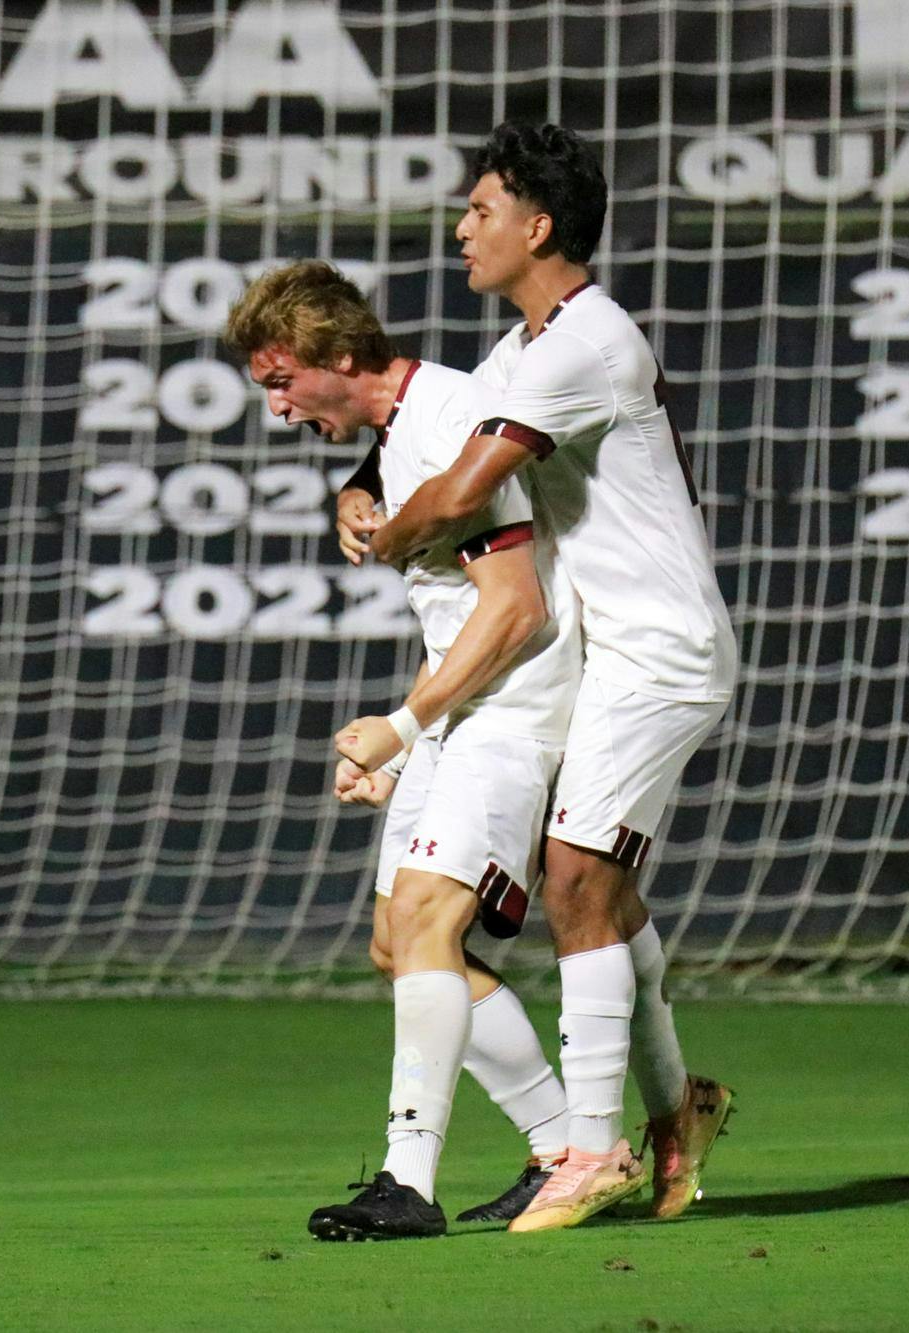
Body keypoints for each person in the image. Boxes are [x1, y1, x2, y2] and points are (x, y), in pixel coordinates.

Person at [345, 123, 739, 1232]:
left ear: (538, 226)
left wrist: (391, 536)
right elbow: (418, 434)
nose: (460, 228)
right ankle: (678, 1112)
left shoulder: (585, 341)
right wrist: (356, 480)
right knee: (600, 892)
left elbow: (463, 484)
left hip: (659, 650)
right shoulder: (522, 352)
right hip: (607, 653)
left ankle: (591, 1149)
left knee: (573, 878)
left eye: (479, 211)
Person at [224, 260, 580, 1240]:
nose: (279, 409)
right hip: (463, 711)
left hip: (511, 705)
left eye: (281, 381)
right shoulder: (405, 430)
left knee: (425, 920)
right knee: (399, 945)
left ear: (340, 356)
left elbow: (515, 610)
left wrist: (400, 726)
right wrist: (357, 482)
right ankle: (566, 1148)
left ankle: (406, 1177)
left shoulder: (449, 421)